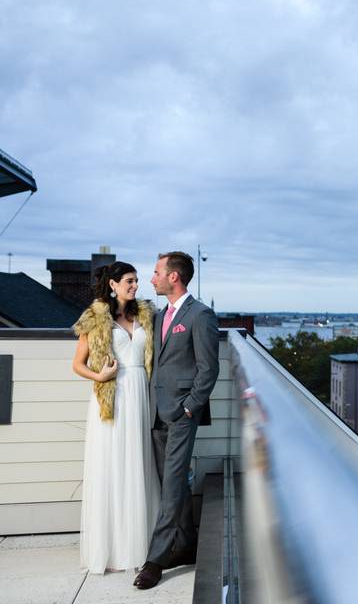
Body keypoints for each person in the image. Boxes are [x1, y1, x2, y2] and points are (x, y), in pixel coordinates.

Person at [134, 251, 219, 590]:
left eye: (156, 272)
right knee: (173, 483)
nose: (151, 278)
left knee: (171, 485)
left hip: (182, 415)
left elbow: (208, 368)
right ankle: (186, 546)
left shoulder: (200, 315)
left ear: (174, 277)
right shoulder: (158, 315)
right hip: (157, 411)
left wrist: (189, 408)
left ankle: (156, 560)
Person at [72, 262, 160, 573]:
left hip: (140, 395)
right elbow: (77, 364)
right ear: (112, 284)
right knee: (112, 465)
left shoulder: (146, 316)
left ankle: (140, 544)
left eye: (137, 280)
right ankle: (111, 549)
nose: (136, 285)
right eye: (129, 281)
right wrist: (100, 374)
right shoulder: (96, 318)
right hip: (112, 397)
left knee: (138, 463)